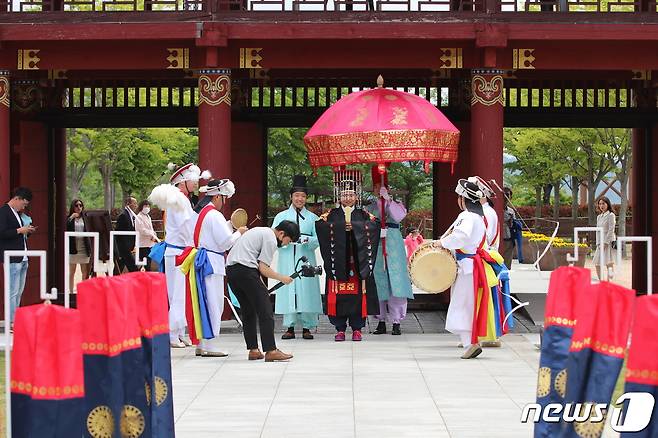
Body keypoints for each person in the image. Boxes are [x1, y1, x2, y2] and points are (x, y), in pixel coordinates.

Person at [177, 179, 246, 357]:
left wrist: (230, 226)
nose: (224, 201)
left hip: (201, 259)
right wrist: (239, 232)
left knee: (203, 302)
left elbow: (210, 234)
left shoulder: (200, 213)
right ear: (217, 196)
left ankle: (202, 343)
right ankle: (210, 345)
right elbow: (224, 242)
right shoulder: (214, 215)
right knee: (214, 304)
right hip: (211, 262)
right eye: (223, 197)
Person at [149, 162, 210, 348]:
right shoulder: (179, 200)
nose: (196, 183)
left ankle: (179, 331)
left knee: (181, 293)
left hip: (179, 250)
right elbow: (187, 227)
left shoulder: (181, 199)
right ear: (183, 181)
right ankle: (172, 333)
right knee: (177, 294)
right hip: (178, 251)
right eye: (193, 180)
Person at [315, 171, 380, 342]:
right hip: (339, 263)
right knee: (339, 296)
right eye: (345, 194)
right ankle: (340, 328)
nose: (348, 198)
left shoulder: (364, 214)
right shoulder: (330, 215)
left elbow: (374, 225)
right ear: (339, 196)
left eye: (351, 194)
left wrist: (356, 228)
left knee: (358, 296)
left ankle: (357, 328)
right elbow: (321, 226)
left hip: (358, 263)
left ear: (356, 196)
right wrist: (340, 228)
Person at [226, 221, 299, 362]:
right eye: (287, 241)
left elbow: (253, 263)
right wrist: (282, 278)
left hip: (232, 272)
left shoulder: (259, 230)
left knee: (248, 311)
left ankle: (253, 350)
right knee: (265, 310)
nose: (285, 245)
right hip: (246, 271)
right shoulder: (271, 238)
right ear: (281, 233)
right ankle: (271, 350)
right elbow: (263, 268)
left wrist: (260, 284)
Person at [434, 179, 489, 359]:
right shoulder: (479, 218)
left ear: (463, 199)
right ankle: (471, 341)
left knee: (462, 304)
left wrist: (441, 243)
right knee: (469, 303)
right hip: (473, 264)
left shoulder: (467, 216)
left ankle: (469, 343)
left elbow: (460, 236)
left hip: (467, 266)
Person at [272, 175, 322, 340]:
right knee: (289, 288)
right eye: (297, 196)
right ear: (291, 197)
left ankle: (308, 326)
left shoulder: (313, 218)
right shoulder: (281, 217)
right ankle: (290, 326)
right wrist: (283, 242)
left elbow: (319, 239)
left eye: (303, 196)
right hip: (287, 257)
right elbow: (274, 237)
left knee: (307, 289)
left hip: (305, 255)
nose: (300, 199)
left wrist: (308, 240)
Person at [366, 165, 413, 336]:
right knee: (379, 281)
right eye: (377, 187)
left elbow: (400, 217)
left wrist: (389, 201)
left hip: (393, 243)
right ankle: (380, 320)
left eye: (383, 186)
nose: (380, 189)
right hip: (377, 241)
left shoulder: (397, 204)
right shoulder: (370, 206)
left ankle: (396, 321)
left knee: (396, 281)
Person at [0, 187, 35, 323]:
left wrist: (26, 231)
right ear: (17, 198)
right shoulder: (3, 212)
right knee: (12, 292)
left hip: (22, 255)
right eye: (23, 204)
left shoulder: (16, 213)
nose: (23, 207)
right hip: (12, 257)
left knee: (19, 291)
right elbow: (2, 233)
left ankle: (16, 320)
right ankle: (12, 321)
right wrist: (20, 230)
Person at [67, 199, 91, 289]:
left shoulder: (85, 218)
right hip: (73, 245)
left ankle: (83, 290)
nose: (79, 207)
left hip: (83, 245)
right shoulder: (69, 218)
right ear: (73, 207)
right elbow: (65, 227)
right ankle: (70, 290)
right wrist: (71, 217)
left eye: (80, 205)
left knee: (84, 271)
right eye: (76, 205)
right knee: (72, 271)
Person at [593, 196, 616, 280]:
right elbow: (597, 231)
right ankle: (601, 282)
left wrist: (606, 243)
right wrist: (598, 243)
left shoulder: (611, 215)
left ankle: (608, 282)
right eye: (600, 204)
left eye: (603, 203)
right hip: (600, 242)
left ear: (607, 204)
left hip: (608, 242)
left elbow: (611, 229)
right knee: (597, 263)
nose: (601, 206)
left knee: (609, 263)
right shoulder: (599, 216)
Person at [115, 196, 139, 273]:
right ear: (128, 204)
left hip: (127, 248)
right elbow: (118, 232)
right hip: (123, 248)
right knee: (133, 268)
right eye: (134, 203)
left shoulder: (132, 216)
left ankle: (110, 282)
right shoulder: (123, 216)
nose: (136, 205)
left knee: (118, 269)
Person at [135, 200, 159, 271]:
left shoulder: (148, 216)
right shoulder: (138, 217)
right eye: (145, 206)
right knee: (145, 264)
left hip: (150, 244)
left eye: (148, 206)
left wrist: (153, 234)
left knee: (148, 263)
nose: (147, 208)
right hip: (143, 245)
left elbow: (150, 228)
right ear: (141, 207)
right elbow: (141, 230)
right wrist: (151, 233)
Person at [501, 187, 517, 269]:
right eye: (504, 195)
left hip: (509, 239)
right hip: (499, 240)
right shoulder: (496, 209)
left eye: (507, 195)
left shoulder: (511, 211)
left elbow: (514, 225)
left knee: (507, 265)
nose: (505, 197)